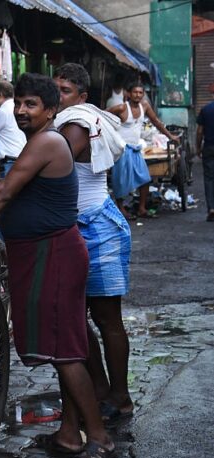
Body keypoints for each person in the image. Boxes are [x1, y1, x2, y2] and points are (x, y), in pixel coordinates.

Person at [0, 73, 117, 458]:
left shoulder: (49, 142)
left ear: (51, 110)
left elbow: (4, 192)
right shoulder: (37, 142)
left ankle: (100, 438)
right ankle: (70, 435)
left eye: (31, 104)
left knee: (67, 354)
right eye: (18, 102)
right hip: (42, 254)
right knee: (62, 350)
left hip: (53, 255)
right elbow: (11, 193)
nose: (21, 110)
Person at [54, 63, 135, 424]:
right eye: (55, 89)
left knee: (106, 318)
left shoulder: (75, 123)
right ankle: (102, 388)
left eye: (65, 90)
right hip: (78, 227)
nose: (59, 97)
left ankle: (120, 396)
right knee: (77, 318)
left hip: (97, 227)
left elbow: (58, 165)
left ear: (82, 96)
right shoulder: (76, 119)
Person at [106, 81, 179, 219]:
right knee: (120, 180)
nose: (138, 95)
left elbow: (156, 122)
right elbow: (103, 115)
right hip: (121, 149)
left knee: (145, 179)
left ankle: (141, 208)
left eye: (140, 92)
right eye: (135, 92)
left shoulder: (144, 106)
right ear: (128, 94)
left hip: (136, 149)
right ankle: (121, 208)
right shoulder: (121, 108)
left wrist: (170, 136)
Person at [195, 83, 214, 222]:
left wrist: (198, 147)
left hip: (209, 147)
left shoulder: (206, 110)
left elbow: (200, 131)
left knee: (209, 178)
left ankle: (211, 208)